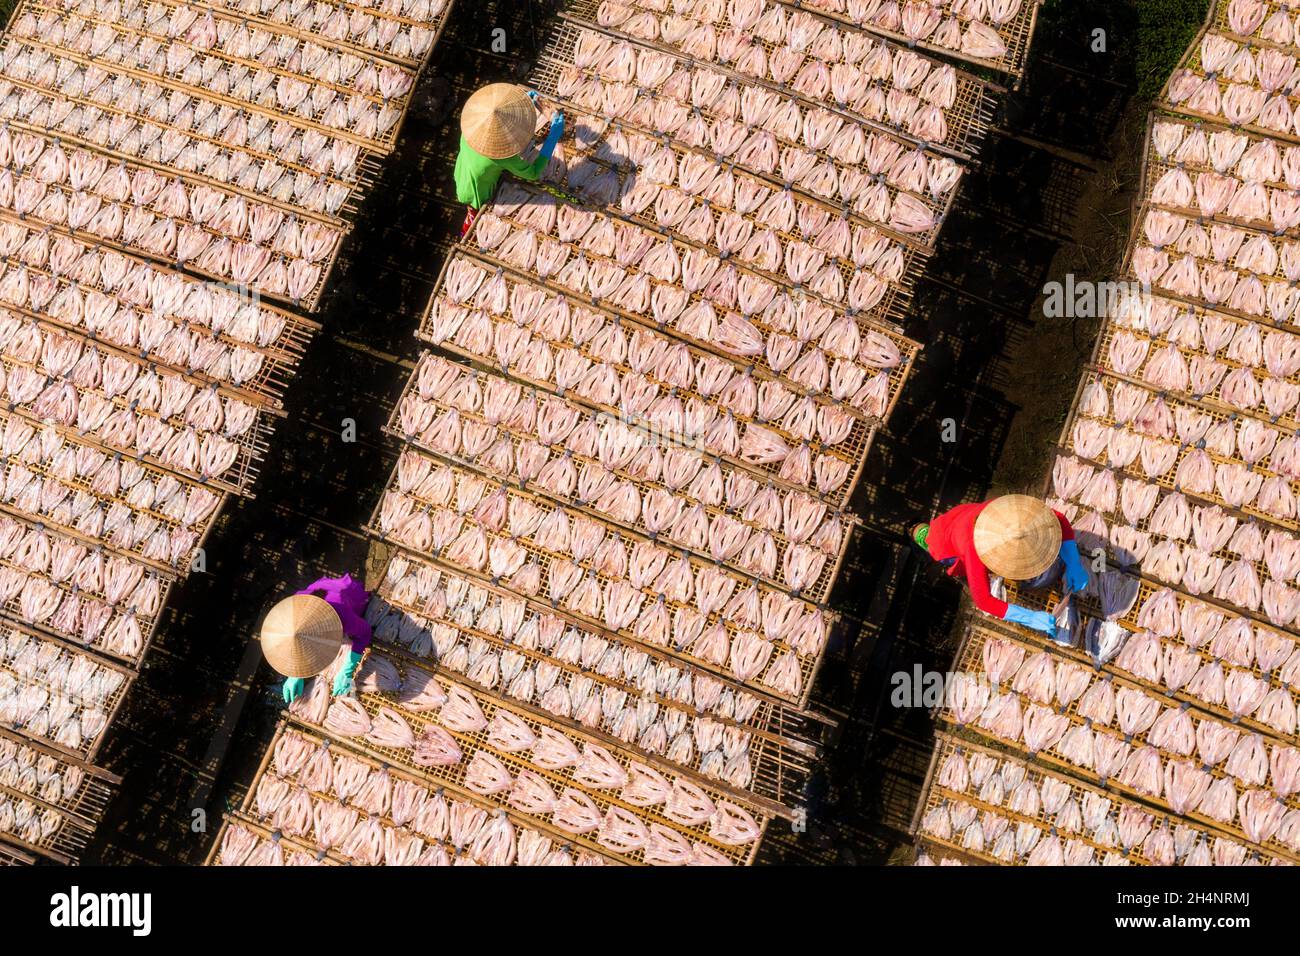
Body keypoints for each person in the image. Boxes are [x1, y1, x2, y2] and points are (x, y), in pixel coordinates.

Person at [911, 494, 1090, 643]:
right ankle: (915, 530)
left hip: (966, 515)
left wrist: (1074, 563)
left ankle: (918, 528)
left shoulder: (1014, 514)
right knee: (932, 541)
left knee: (945, 524)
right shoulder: (975, 551)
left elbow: (1059, 519)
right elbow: (983, 601)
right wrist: (1031, 618)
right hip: (948, 545)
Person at [454, 83, 565, 237]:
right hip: (476, 192)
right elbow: (533, 173)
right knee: (473, 211)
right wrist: (553, 138)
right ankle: (464, 232)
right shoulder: (502, 158)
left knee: (469, 192)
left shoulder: (471, 129)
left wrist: (524, 101)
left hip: (461, 173)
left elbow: (500, 113)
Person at [258, 573, 373, 704]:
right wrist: (295, 674)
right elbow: (299, 641)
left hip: (349, 595)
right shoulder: (295, 608)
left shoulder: (342, 617)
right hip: (322, 588)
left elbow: (366, 633)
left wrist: (347, 669)